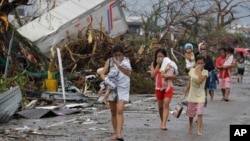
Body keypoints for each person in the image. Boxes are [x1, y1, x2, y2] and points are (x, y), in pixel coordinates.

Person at [100, 44, 132, 141]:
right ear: (113, 54)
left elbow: (129, 73)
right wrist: (107, 81)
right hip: (112, 87)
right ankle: (115, 132)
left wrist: (119, 66)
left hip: (123, 87)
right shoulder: (109, 61)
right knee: (113, 111)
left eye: (119, 55)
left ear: (122, 54)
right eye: (116, 55)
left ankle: (119, 133)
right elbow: (102, 73)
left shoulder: (126, 61)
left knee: (120, 110)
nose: (118, 57)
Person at [150, 48, 177, 130]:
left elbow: (175, 76)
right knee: (160, 106)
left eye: (162, 56)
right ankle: (162, 121)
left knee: (166, 103)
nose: (160, 58)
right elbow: (152, 74)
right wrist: (158, 65)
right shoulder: (153, 64)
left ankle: (164, 123)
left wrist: (168, 76)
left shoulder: (170, 64)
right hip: (158, 88)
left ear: (165, 57)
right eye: (158, 56)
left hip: (168, 87)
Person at [183, 55, 208, 136]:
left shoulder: (205, 72)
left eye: (202, 63)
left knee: (200, 113)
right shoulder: (191, 71)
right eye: (198, 63)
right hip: (192, 95)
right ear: (195, 63)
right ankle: (190, 125)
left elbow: (200, 80)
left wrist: (199, 70)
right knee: (191, 114)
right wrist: (185, 92)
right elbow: (189, 82)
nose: (200, 64)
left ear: (204, 64)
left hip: (201, 95)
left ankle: (198, 130)